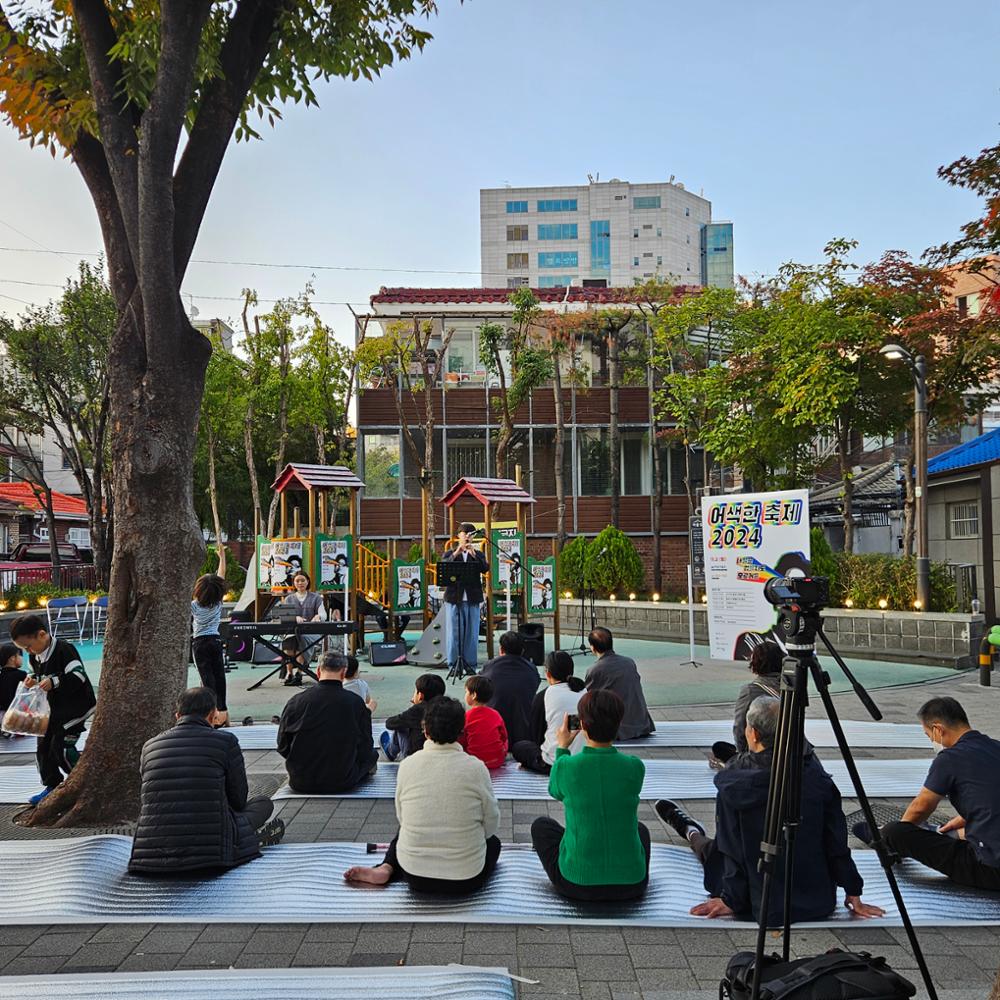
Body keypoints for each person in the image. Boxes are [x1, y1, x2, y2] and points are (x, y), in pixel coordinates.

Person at [656, 697, 884, 924]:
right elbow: (835, 839)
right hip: (815, 898)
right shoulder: (814, 772)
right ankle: (690, 830)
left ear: (753, 734)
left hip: (755, 897)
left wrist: (731, 899)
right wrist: (853, 889)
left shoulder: (734, 781)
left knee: (711, 850)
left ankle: (689, 829)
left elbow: (731, 847)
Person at [344, 696, 501, 894]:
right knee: (493, 843)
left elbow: (402, 816)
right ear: (462, 732)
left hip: (414, 876)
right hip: (465, 878)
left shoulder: (408, 764)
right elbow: (491, 822)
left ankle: (387, 867)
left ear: (425, 730)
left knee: (406, 829)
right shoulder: (476, 768)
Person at [129, 687, 284, 875]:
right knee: (262, 803)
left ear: (177, 715)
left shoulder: (150, 746)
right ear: (212, 715)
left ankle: (244, 836)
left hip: (151, 857)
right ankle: (247, 837)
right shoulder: (225, 741)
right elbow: (238, 799)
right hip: (213, 857)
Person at [859, 697, 1000, 891]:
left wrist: (898, 835)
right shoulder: (995, 747)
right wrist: (966, 816)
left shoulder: (950, 758)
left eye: (928, 735)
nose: (932, 741)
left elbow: (921, 807)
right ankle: (933, 832)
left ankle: (883, 838)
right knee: (953, 830)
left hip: (990, 869)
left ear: (938, 729)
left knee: (895, 831)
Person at [531, 689, 650, 901]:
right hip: (632, 883)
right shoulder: (634, 766)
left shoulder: (567, 766)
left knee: (541, 827)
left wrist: (562, 747)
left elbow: (554, 790)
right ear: (619, 723)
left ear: (582, 725)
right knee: (640, 829)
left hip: (576, 883)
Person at [9, 614, 97, 805]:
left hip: (75, 708)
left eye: (29, 646)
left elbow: (78, 676)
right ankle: (52, 785)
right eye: (24, 650)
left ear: (42, 635)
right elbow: (40, 675)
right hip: (54, 709)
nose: (29, 651)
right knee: (42, 746)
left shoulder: (64, 650)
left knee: (61, 747)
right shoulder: (35, 656)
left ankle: (81, 783)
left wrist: (54, 681)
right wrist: (34, 680)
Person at [277, 652, 378, 794]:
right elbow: (366, 747)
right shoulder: (355, 702)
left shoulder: (296, 701)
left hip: (300, 781)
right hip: (342, 781)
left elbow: (282, 746)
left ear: (318, 671)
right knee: (373, 755)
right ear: (343, 674)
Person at [512, 650, 584, 775]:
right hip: (581, 760)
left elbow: (536, 735)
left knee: (520, 747)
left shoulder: (545, 695)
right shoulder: (585, 691)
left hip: (552, 764)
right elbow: (575, 725)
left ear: (548, 673)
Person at [711, 641, 783, 764]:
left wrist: (741, 756)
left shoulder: (750, 691)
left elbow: (740, 727)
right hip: (787, 748)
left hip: (761, 752)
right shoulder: (792, 688)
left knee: (719, 749)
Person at [585, 627, 654, 740]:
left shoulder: (595, 670)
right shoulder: (629, 662)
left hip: (618, 729)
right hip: (641, 724)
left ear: (592, 648)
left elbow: (587, 698)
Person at [439, 522, 487, 673]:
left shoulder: (478, 554)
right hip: (454, 598)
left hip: (472, 598)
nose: (467, 536)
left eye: (470, 534)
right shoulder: (449, 553)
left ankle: (470, 664)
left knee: (472, 633)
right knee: (454, 633)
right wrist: (456, 553)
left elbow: (485, 568)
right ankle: (454, 665)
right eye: (464, 533)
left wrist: (473, 555)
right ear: (458, 536)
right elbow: (443, 566)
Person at [480, 630, 541, 745]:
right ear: (523, 650)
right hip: (525, 733)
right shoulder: (532, 669)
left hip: (494, 730)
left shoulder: (489, 667)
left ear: (501, 649)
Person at [191, 571, 229, 727]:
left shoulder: (194, 606)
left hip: (200, 643)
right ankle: (223, 710)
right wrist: (222, 557)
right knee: (219, 676)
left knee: (206, 679)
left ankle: (211, 714)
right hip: (215, 640)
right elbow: (221, 576)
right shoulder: (218, 603)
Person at [380, 673, 445, 761]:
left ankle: (390, 751)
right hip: (442, 753)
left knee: (400, 724)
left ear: (420, 695)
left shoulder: (418, 710)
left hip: (415, 757)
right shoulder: (446, 707)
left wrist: (415, 706)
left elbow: (389, 723)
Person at [279, 570, 328, 685]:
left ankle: (299, 672)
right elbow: (285, 616)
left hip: (311, 632)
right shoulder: (289, 599)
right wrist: (295, 618)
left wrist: (318, 616)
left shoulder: (316, 598)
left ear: (307, 582)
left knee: (299, 639)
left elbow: (323, 615)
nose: (300, 583)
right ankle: (290, 673)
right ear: (294, 583)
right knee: (291, 640)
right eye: (297, 581)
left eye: (302, 580)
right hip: (293, 632)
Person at [460, 675, 508, 769]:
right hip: (497, 761)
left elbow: (462, 740)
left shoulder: (466, 716)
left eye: (466, 692)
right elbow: (504, 736)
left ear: (473, 695)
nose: (465, 695)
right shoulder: (495, 714)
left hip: (474, 762)